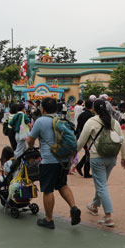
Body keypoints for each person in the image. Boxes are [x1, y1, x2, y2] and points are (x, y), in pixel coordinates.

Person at [26, 97, 81, 229]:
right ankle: (73, 208)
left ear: (42, 108)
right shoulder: (61, 120)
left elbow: (30, 139)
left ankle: (49, 219)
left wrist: (31, 148)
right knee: (62, 184)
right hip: (63, 160)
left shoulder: (40, 121)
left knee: (48, 190)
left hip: (49, 161)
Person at [77, 99, 125, 227]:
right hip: (111, 157)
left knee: (101, 186)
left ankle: (108, 216)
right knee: (102, 183)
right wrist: (123, 156)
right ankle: (94, 205)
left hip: (97, 158)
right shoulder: (114, 122)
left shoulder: (91, 122)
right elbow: (122, 140)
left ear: (94, 109)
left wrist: (73, 154)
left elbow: (81, 141)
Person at [75, 99, 94, 178]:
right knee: (89, 153)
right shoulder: (91, 116)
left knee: (88, 153)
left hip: (80, 136)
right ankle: (85, 171)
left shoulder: (81, 115)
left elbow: (78, 126)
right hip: (87, 137)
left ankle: (80, 166)